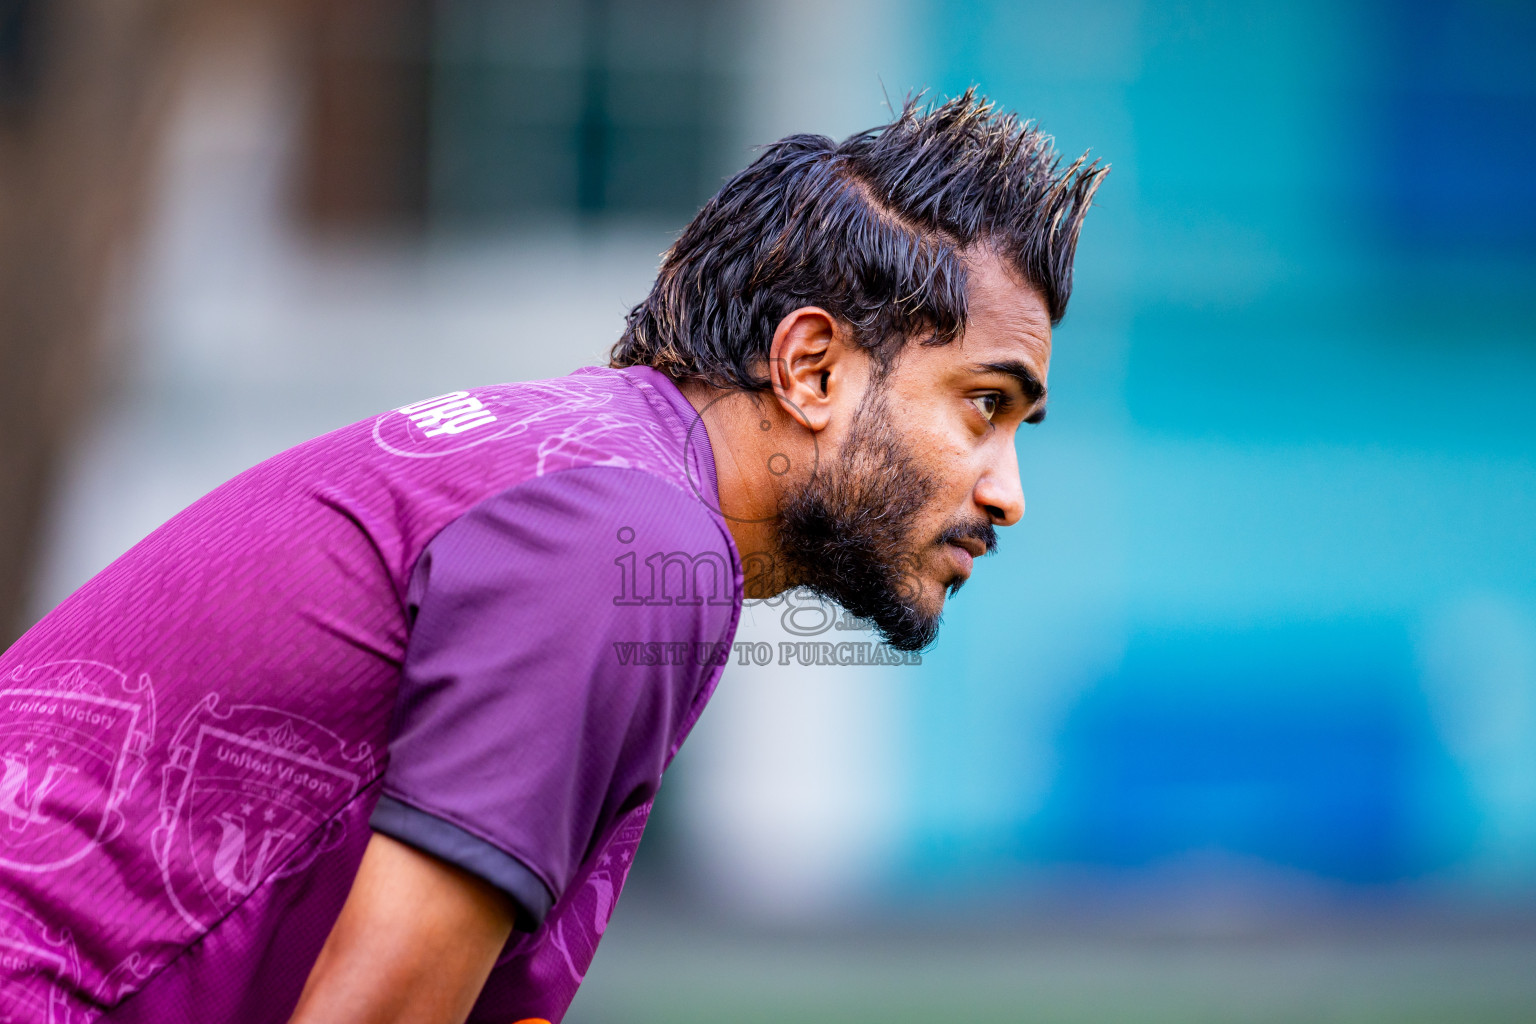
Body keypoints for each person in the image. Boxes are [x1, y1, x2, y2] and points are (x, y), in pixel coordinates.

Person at [0, 91, 1104, 1024]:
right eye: (983, 406)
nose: (1006, 489)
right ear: (812, 370)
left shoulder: (593, 475)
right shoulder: (629, 540)